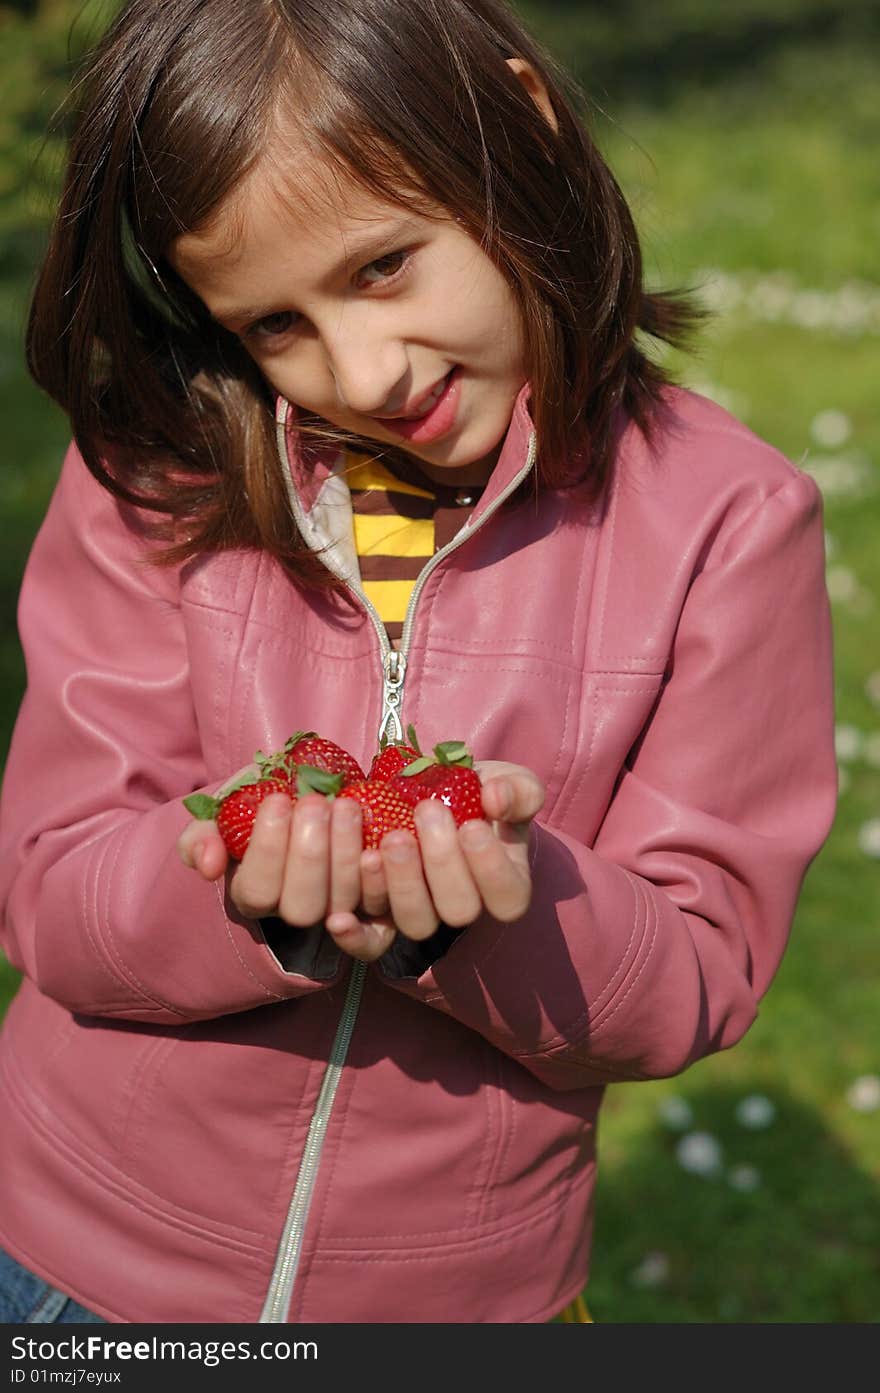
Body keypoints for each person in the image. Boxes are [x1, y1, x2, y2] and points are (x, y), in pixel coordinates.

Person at [0, 0, 836, 1326]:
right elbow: (52, 888)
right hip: (74, 1269)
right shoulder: (164, 480)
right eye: (273, 326)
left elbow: (699, 962)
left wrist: (508, 900)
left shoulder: (730, 524)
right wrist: (235, 880)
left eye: (384, 266)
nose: (363, 369)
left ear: (523, 123)